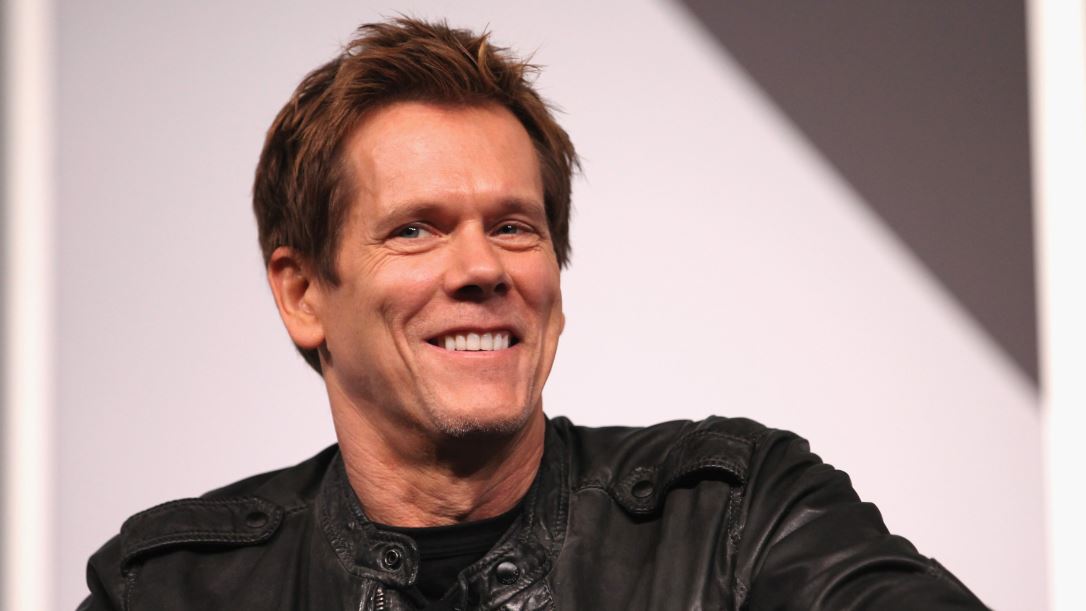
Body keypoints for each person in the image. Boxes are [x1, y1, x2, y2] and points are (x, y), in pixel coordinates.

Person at [79, 17, 987, 610]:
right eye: (415, 230)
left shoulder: (735, 518)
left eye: (514, 226)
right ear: (303, 292)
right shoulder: (171, 588)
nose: (482, 268)